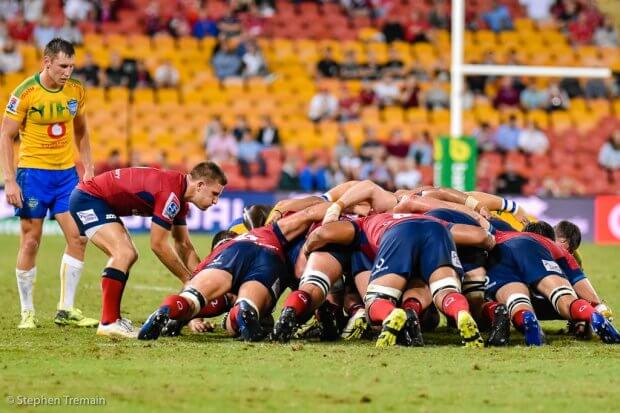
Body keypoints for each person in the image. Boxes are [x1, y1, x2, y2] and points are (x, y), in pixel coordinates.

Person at [0, 38, 97, 329]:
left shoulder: (76, 90)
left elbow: (81, 129)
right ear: (47, 62)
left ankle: (66, 310)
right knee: (31, 241)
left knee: (79, 238)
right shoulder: (25, 93)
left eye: (72, 65)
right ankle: (27, 312)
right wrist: (9, 180)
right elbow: (6, 135)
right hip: (33, 175)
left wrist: (88, 167)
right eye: (62, 65)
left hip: (66, 175)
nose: (68, 71)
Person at [68, 162, 227, 338]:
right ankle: (108, 322)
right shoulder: (171, 194)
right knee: (124, 253)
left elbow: (183, 245)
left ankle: (112, 320)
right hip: (88, 199)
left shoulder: (179, 197)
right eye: (214, 194)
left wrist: (202, 282)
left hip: (95, 200)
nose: (215, 201)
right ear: (200, 185)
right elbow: (158, 244)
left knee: (128, 254)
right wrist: (187, 279)